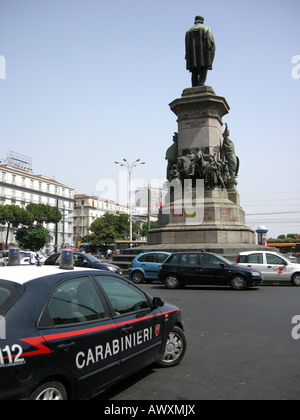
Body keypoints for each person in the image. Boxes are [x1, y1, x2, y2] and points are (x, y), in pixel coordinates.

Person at [185, 16, 216, 87]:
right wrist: (210, 56)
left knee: (194, 71)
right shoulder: (207, 29)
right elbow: (210, 43)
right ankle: (201, 83)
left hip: (192, 56)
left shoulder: (188, 32)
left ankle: (194, 85)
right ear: (202, 21)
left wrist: (188, 56)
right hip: (204, 54)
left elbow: (187, 46)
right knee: (203, 68)